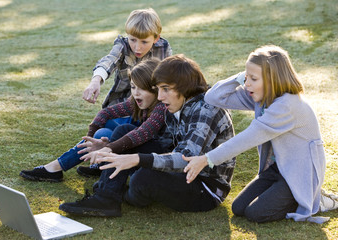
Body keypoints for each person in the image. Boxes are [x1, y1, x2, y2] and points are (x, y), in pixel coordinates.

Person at [58, 54, 236, 217]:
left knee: (143, 179)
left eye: (165, 89)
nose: (160, 96)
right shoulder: (178, 103)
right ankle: (106, 198)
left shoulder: (206, 109)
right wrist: (111, 147)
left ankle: (127, 192)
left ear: (184, 86)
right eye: (158, 89)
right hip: (181, 172)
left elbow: (185, 159)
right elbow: (163, 144)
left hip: (205, 187)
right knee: (124, 131)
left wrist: (136, 159)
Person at [183, 45, 331, 223]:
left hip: (300, 172)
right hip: (277, 169)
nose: (247, 85)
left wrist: (207, 159)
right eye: (246, 78)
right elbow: (213, 97)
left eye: (253, 79)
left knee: (256, 213)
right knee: (239, 208)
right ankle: (287, 193)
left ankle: (315, 197)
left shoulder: (287, 106)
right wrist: (241, 77)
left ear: (272, 79)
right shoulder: (261, 97)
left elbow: (247, 138)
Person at [20, 58, 172, 182]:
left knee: (122, 131)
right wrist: (91, 138)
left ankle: (66, 168)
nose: (136, 93)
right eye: (133, 87)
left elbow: (142, 134)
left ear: (154, 89)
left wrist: (108, 147)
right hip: (138, 146)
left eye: (142, 88)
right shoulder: (137, 100)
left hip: (157, 156)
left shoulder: (161, 107)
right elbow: (106, 112)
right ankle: (59, 166)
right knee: (103, 130)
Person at [82, 8, 172, 107]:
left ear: (156, 38)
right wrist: (95, 81)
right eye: (133, 40)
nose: (137, 47)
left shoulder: (163, 47)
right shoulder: (122, 46)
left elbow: (170, 77)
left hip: (153, 104)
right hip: (121, 102)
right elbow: (110, 60)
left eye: (144, 42)